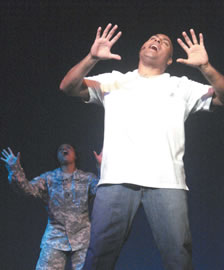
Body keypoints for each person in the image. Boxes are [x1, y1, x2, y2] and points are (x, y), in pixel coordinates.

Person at [59, 23, 224, 270]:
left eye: (164, 41)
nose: (155, 40)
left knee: (179, 258)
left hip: (167, 182)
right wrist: (92, 58)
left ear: (169, 60)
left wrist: (205, 67)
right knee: (98, 258)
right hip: (116, 180)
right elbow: (68, 87)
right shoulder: (114, 80)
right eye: (151, 37)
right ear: (141, 48)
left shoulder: (182, 86)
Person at [1, 144, 100, 270]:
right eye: (60, 149)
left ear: (75, 155)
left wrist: (100, 167)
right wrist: (14, 168)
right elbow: (27, 189)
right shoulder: (48, 178)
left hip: (82, 238)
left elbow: (102, 191)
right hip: (55, 237)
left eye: (68, 147)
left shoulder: (87, 178)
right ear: (57, 157)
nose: (64, 149)